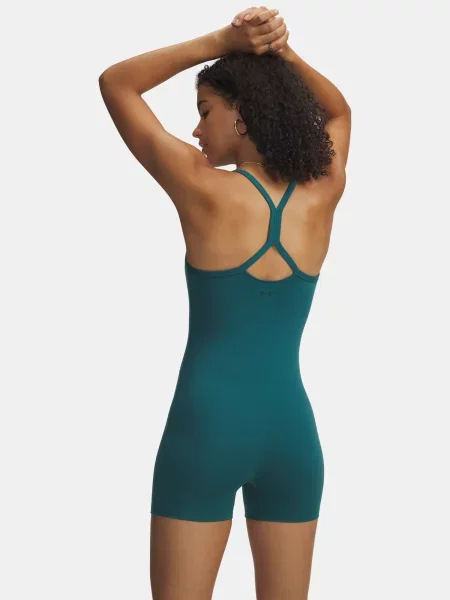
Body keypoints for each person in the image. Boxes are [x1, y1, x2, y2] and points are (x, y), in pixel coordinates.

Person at [99, 5, 351, 599]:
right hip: (292, 434)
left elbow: (116, 82)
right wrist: (279, 50)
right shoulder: (323, 191)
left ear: (242, 114)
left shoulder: (200, 186)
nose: (195, 130)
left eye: (205, 110)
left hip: (206, 428)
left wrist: (224, 41)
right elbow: (339, 111)